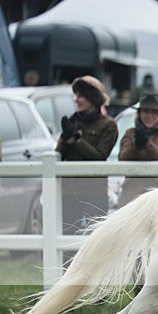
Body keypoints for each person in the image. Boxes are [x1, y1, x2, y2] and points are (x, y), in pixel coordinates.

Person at [57, 75, 118, 234]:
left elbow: (99, 156)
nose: (76, 100)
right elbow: (59, 154)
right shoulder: (73, 121)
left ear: (92, 98)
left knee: (97, 238)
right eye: (76, 95)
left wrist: (76, 139)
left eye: (81, 96)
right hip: (70, 192)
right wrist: (65, 136)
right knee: (68, 239)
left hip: (94, 192)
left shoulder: (108, 125)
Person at [117, 93, 158, 207]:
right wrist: (136, 144)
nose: (149, 116)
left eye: (154, 112)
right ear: (139, 114)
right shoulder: (130, 133)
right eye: (145, 111)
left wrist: (147, 143)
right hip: (131, 191)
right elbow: (122, 157)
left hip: (157, 191)